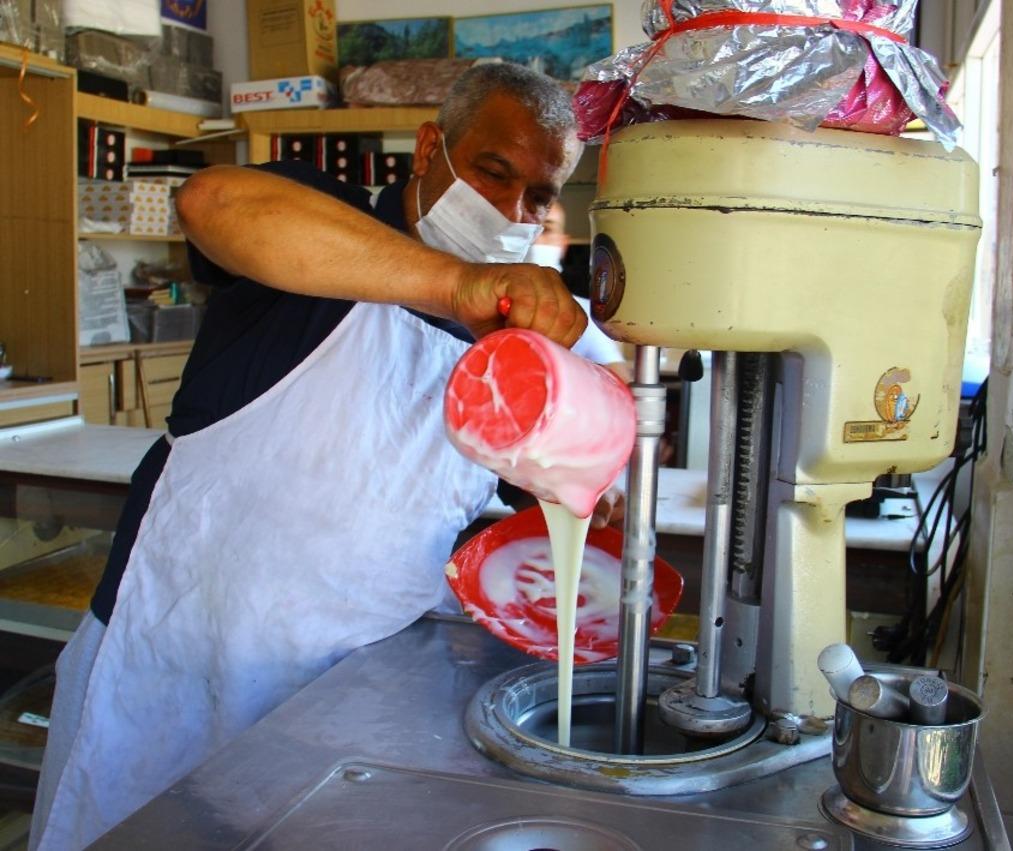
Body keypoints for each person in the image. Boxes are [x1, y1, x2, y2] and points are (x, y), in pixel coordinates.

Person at [31, 63, 617, 850]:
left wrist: (582, 471)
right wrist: (456, 283)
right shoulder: (321, 225)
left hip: (348, 699)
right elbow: (209, 201)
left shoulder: (519, 334)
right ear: (429, 149)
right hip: (176, 664)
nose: (514, 211)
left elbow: (522, 495)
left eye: (539, 196)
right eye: (493, 172)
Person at [526, 201, 632, 382]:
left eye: (546, 229)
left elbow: (621, 384)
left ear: (563, 244)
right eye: (526, 230)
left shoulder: (583, 316)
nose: (533, 239)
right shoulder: (477, 308)